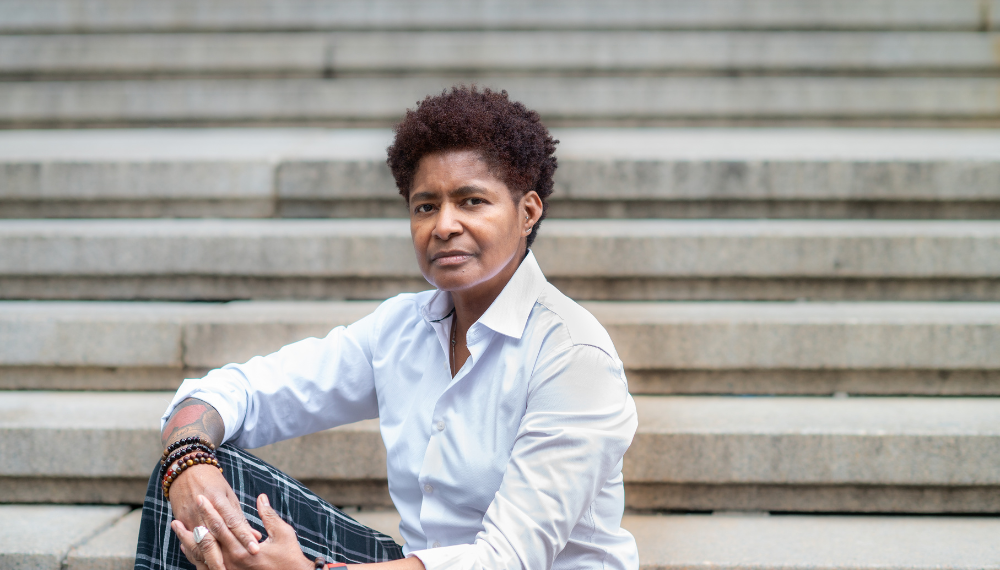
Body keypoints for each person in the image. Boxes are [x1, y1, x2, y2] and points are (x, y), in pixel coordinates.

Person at [135, 86, 639, 570]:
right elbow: (245, 391)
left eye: (471, 201)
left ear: (527, 212)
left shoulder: (574, 355)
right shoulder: (401, 329)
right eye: (426, 206)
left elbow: (507, 560)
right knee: (192, 475)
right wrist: (187, 458)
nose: (444, 226)